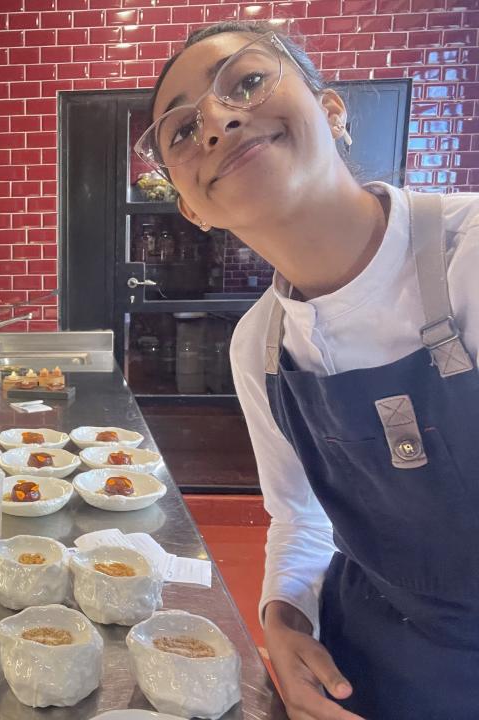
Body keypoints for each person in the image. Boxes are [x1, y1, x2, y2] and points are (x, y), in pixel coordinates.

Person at [135, 20, 479, 720]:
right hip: (356, 669)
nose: (220, 119)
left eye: (249, 81)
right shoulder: (259, 345)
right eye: (181, 130)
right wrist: (284, 622)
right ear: (192, 208)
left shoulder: (465, 258)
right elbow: (299, 516)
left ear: (331, 111)